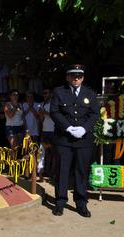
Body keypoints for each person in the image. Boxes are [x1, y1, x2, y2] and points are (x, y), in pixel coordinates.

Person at [50, 64, 99, 217]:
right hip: (64, 138)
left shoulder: (90, 93)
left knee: (81, 171)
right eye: (73, 75)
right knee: (62, 171)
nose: (76, 78)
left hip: (83, 140)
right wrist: (68, 128)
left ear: (83, 78)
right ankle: (60, 202)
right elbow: (54, 111)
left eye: (79, 76)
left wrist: (84, 129)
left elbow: (95, 113)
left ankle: (81, 202)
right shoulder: (59, 92)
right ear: (67, 77)